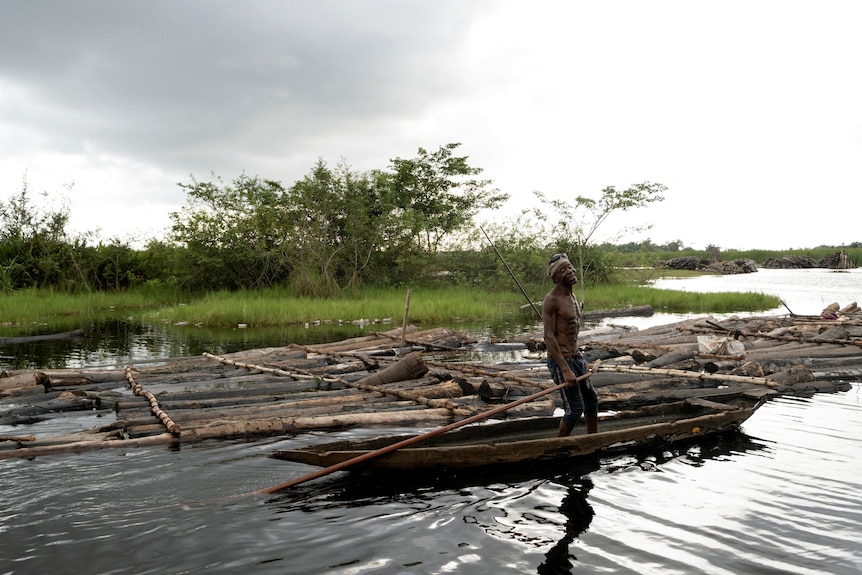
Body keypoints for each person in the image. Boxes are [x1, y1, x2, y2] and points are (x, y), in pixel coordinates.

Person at [542, 253, 599, 436]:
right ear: (555, 278)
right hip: (562, 361)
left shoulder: (573, 298)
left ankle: (593, 439)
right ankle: (559, 446)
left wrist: (577, 361)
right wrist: (566, 369)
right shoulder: (552, 300)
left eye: (570, 267)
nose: (570, 271)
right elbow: (549, 337)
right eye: (563, 270)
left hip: (576, 357)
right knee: (574, 409)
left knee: (592, 400)